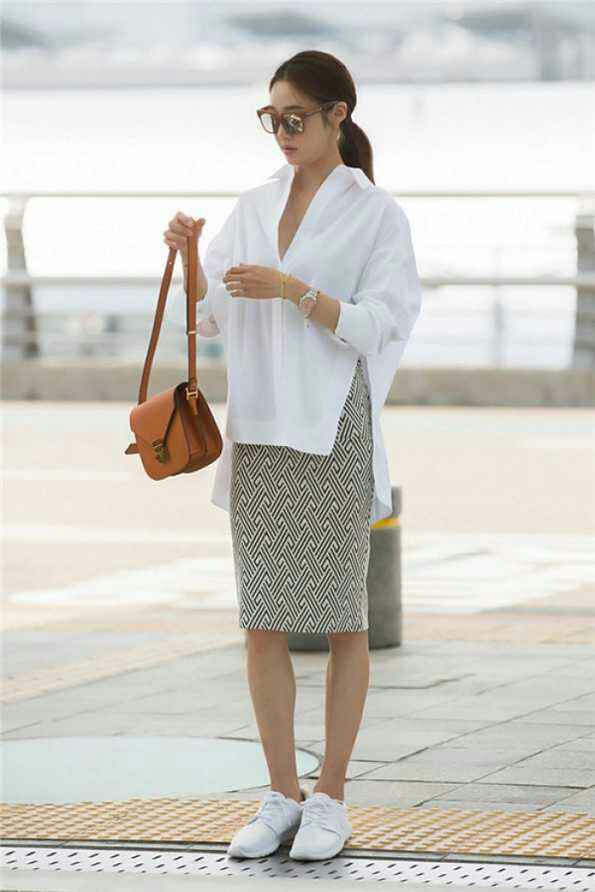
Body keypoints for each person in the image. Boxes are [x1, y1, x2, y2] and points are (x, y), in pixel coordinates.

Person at [163, 50, 422, 862]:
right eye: (270, 118)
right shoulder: (252, 204)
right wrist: (188, 258)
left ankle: (330, 799)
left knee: (344, 620)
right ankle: (281, 794)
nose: (280, 131)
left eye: (295, 117)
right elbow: (206, 319)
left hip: (332, 426)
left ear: (337, 116)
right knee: (262, 619)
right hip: (260, 429)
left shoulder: (375, 215)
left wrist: (294, 292)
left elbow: (379, 323)